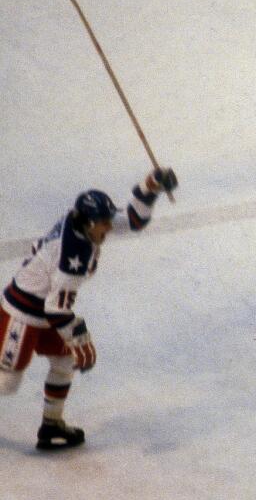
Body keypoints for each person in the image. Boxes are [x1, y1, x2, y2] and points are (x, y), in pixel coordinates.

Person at [1, 168, 178, 450]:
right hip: (22, 314)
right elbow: (56, 310)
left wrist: (152, 187)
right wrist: (79, 335)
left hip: (43, 311)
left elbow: (132, 220)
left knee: (65, 362)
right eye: (103, 224)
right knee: (6, 383)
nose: (109, 228)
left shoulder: (86, 225)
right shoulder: (74, 251)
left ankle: (51, 424)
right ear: (87, 222)